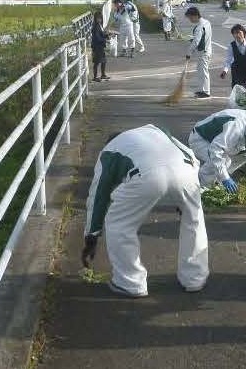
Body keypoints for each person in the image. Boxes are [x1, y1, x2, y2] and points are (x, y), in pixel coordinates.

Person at [81, 124, 209, 297]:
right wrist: (184, 199)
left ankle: (130, 283)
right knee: (194, 219)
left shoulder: (108, 152)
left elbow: (98, 196)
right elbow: (189, 154)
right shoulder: (156, 130)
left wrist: (91, 235)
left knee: (118, 223)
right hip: (186, 169)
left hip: (146, 176)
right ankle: (195, 278)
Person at [187, 109, 246, 192]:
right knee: (224, 161)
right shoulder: (236, 127)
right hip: (200, 138)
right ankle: (202, 187)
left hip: (219, 141)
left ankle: (215, 182)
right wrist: (225, 179)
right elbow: (215, 151)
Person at [184, 6, 213, 98]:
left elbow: (196, 41)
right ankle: (201, 90)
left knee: (203, 71)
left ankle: (205, 91)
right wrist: (193, 39)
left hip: (203, 52)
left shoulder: (199, 27)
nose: (190, 20)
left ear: (195, 15)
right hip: (206, 50)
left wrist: (189, 53)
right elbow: (200, 38)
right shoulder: (207, 22)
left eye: (190, 17)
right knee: (200, 71)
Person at [89, 10, 111, 82]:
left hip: (100, 46)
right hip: (97, 46)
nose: (99, 19)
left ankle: (103, 75)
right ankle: (95, 77)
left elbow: (102, 35)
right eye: (98, 18)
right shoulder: (95, 27)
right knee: (97, 62)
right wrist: (105, 39)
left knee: (104, 61)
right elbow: (97, 38)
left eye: (100, 18)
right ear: (95, 19)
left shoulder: (99, 25)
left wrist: (107, 35)